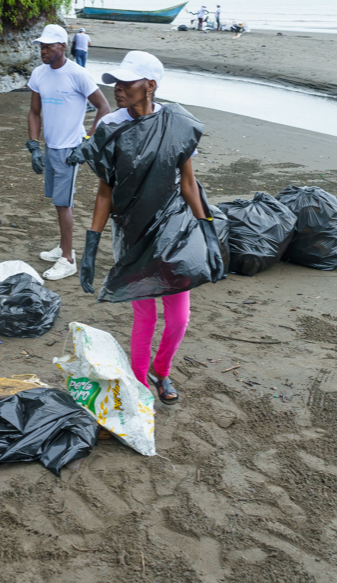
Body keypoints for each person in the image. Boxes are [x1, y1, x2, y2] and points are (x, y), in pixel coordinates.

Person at [76, 51, 225, 404]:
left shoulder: (178, 123)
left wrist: (207, 230)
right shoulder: (110, 126)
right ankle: (140, 383)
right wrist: (91, 246)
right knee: (144, 314)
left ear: (151, 86)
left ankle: (162, 370)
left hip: (174, 228)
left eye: (129, 83)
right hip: (131, 229)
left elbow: (188, 183)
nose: (119, 89)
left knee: (179, 318)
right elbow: (104, 193)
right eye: (117, 83)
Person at [26, 24, 110, 280]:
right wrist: (33, 145)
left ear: (62, 46)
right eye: (41, 46)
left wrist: (86, 143)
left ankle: (68, 258)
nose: (44, 50)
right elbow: (34, 112)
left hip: (69, 149)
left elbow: (104, 107)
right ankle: (63, 247)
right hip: (51, 147)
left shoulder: (77, 74)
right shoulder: (39, 74)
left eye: (49, 46)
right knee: (57, 200)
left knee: (64, 204)